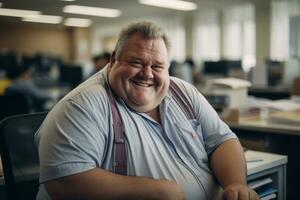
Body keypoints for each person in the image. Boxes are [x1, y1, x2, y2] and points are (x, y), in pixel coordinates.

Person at [35, 21, 258, 200]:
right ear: (113, 60)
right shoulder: (83, 105)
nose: (147, 74)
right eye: (137, 62)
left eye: (157, 66)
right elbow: (63, 182)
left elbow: (222, 140)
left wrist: (235, 184)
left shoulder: (182, 92)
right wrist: (154, 191)